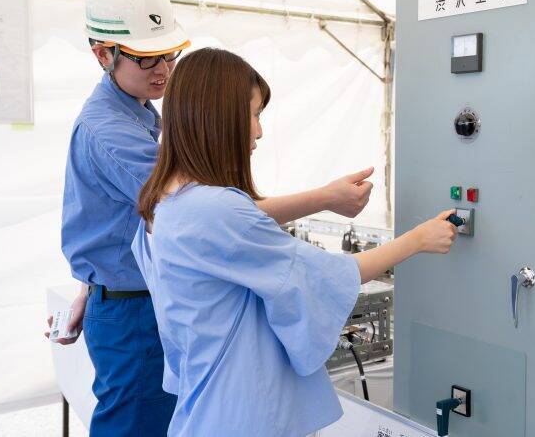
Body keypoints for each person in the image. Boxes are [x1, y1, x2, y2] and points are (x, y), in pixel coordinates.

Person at [49, 0, 374, 436]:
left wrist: (90, 285)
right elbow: (200, 215)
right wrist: (327, 198)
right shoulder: (111, 133)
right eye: (147, 58)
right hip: (133, 311)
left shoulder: (136, 109)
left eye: (170, 54)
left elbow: (132, 221)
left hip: (130, 298)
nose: (163, 69)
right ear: (104, 55)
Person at [131, 47, 458, 436]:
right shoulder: (215, 208)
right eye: (254, 115)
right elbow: (332, 274)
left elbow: (238, 222)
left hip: (206, 404)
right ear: (220, 117)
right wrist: (419, 239)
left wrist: (326, 197)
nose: (258, 131)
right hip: (242, 412)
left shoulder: (164, 202)